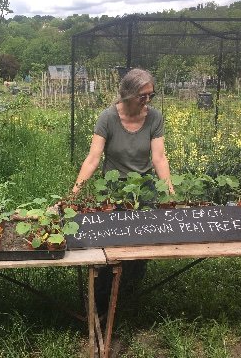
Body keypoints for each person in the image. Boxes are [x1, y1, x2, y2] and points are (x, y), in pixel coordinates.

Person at [71, 68, 174, 315]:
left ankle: (128, 295)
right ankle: (100, 301)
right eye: (142, 95)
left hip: (143, 188)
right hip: (113, 187)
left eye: (151, 95)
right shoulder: (107, 118)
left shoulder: (154, 118)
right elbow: (93, 158)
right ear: (127, 94)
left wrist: (170, 194)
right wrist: (74, 194)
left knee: (143, 247)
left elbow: (159, 158)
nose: (147, 100)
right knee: (109, 248)